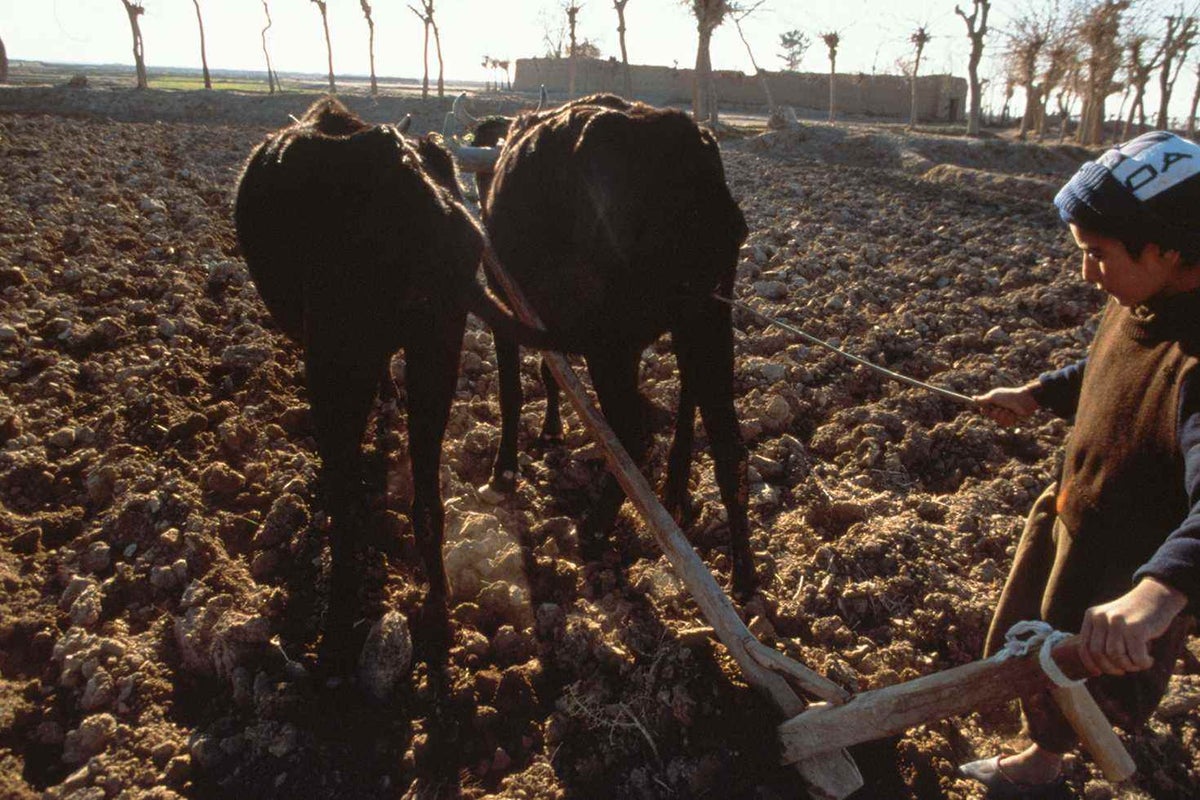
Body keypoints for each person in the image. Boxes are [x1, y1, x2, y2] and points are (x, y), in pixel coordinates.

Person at [961, 130, 1200, 798]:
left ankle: (1042, 767)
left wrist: (1156, 596)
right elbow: (1105, 368)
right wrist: (1038, 395)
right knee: (1035, 642)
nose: (1087, 273)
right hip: (1078, 518)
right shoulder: (1139, 299)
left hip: (1125, 571)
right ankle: (1047, 750)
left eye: (1096, 255)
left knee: (1072, 671)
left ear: (1167, 249)